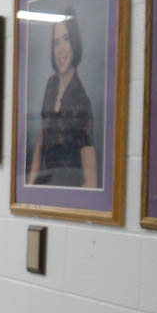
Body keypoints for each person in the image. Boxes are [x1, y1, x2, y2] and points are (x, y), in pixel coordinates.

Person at [27, 13, 98, 187]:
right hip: (45, 184)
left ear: (74, 43)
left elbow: (92, 181)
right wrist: (30, 184)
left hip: (68, 188)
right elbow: (42, 136)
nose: (60, 49)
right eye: (56, 42)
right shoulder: (51, 84)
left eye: (66, 39)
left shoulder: (81, 101)